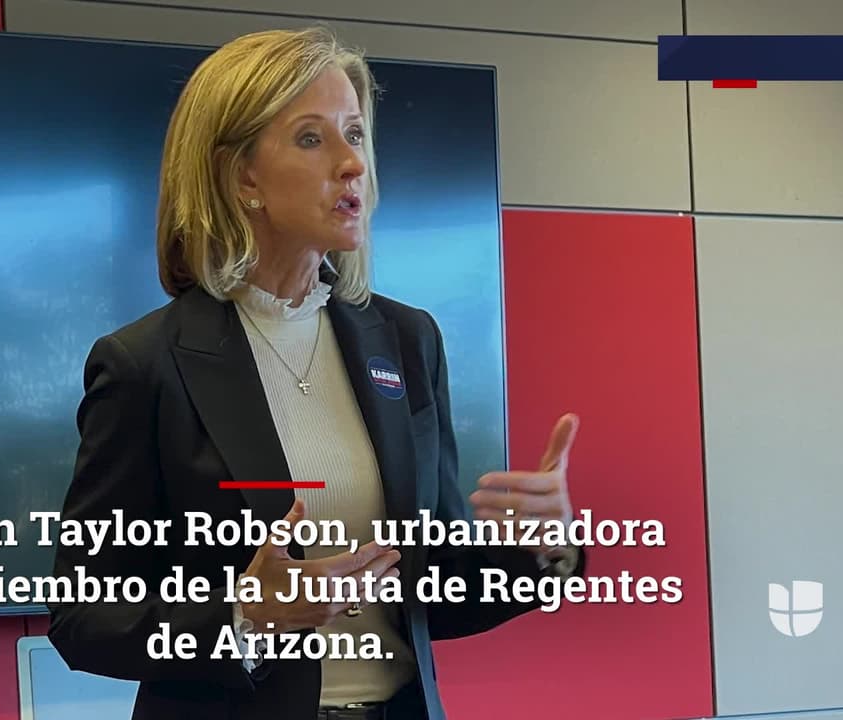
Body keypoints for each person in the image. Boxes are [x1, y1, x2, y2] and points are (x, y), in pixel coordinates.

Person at [47, 26, 585, 720]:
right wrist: (246, 617)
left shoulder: (408, 341)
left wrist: (543, 552)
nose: (353, 163)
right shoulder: (145, 365)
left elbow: (439, 590)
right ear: (241, 176)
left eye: (355, 134)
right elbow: (83, 619)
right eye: (312, 138)